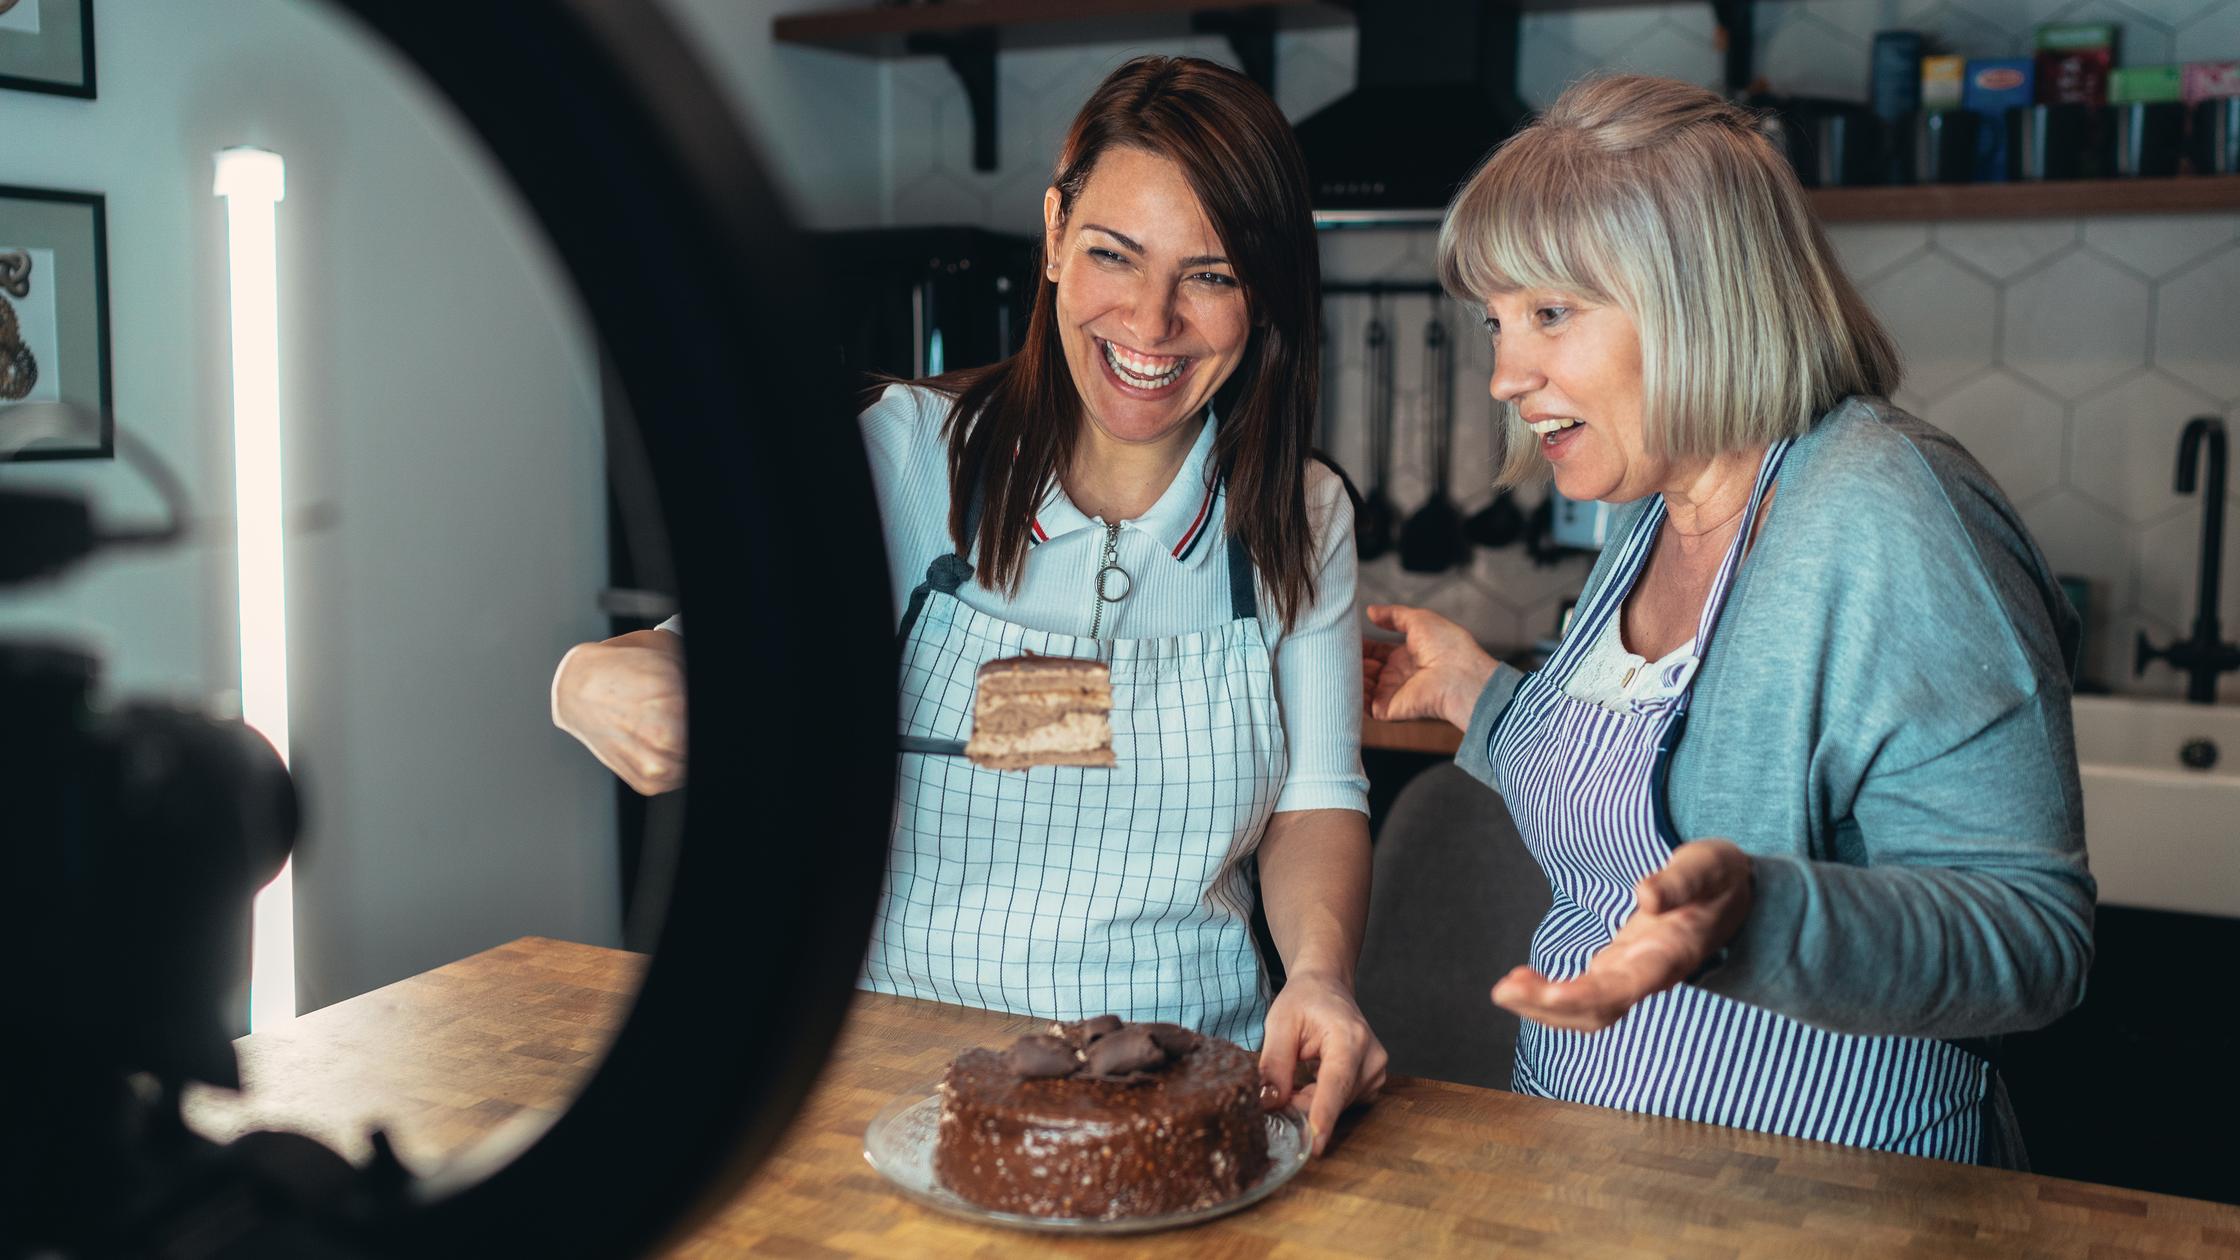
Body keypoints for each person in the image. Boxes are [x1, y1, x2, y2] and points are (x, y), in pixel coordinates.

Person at [555, 56, 1384, 1152]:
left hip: (1189, 1095)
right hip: (894, 1085)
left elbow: (1314, 800)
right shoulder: (904, 459)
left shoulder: (1301, 514)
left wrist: (1320, 976)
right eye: (1113, 254)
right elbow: (703, 659)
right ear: (1053, 235)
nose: (1152, 321)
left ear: (1264, 292)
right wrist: (591, 676)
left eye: (1212, 275)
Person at [1364, 75, 2091, 1166]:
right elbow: (1636, 796)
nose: (1505, 376)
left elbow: (2034, 936)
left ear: (1695, 298)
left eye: (1551, 313)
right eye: (1495, 323)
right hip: (1585, 1166)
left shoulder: (1887, 510)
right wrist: (1477, 697)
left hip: (1829, 1191)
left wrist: (1758, 914)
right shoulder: (1651, 509)